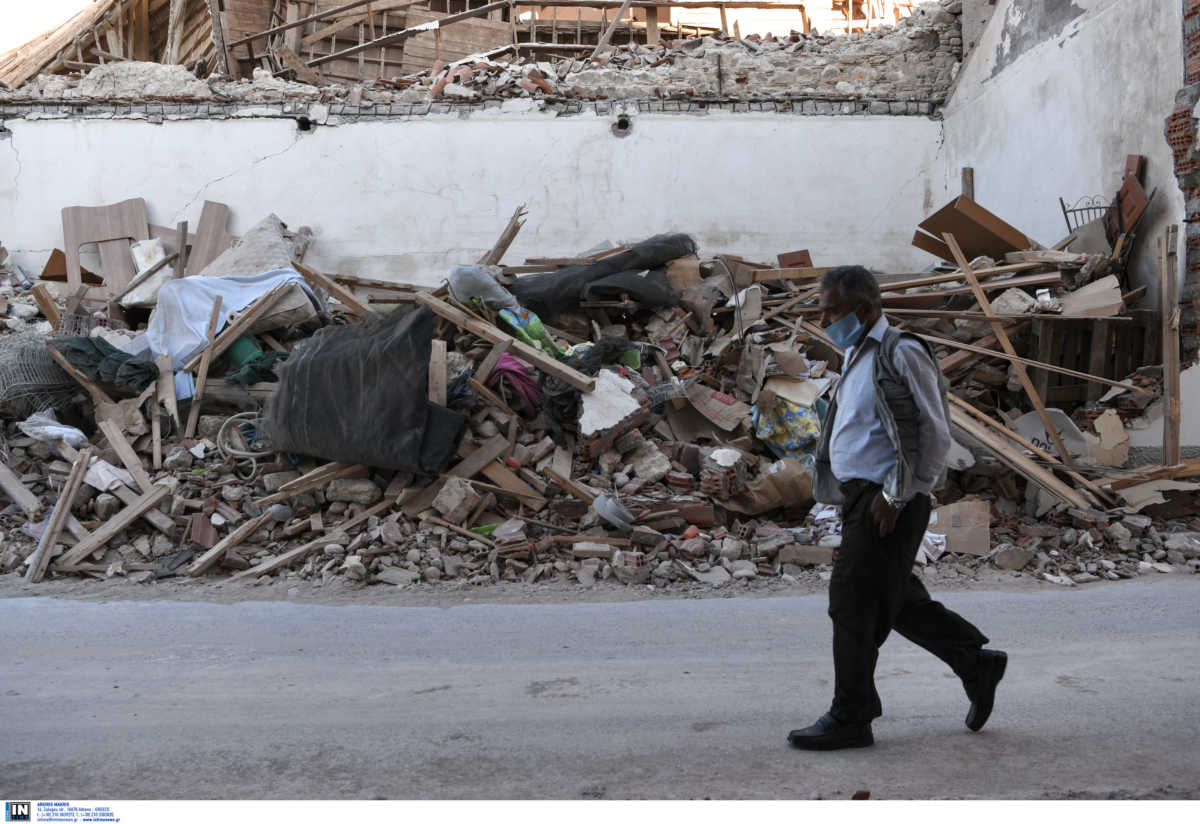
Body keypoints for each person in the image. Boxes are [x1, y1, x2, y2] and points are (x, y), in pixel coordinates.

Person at [788, 265, 1007, 751]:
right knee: (895, 599)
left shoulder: (900, 352)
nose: (824, 321)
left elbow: (934, 433)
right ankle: (976, 662)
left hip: (888, 501)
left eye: (831, 311)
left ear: (865, 309)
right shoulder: (855, 354)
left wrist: (897, 495)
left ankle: (852, 716)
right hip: (860, 498)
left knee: (850, 603)